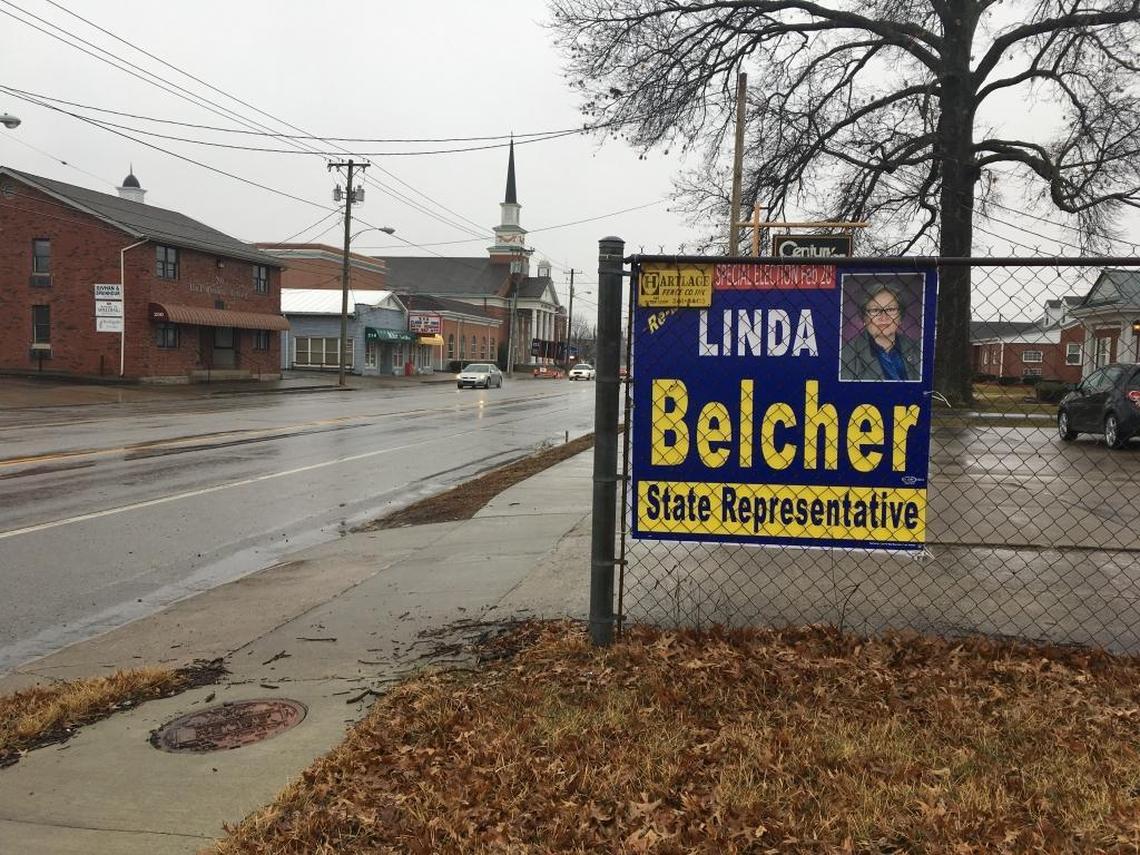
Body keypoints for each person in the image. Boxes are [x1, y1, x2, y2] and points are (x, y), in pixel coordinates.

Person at [840, 282, 921, 381]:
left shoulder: (918, 349)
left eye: (890, 309)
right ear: (864, 318)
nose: (883, 317)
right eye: (875, 310)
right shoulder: (845, 356)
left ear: (900, 317)